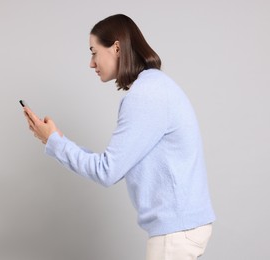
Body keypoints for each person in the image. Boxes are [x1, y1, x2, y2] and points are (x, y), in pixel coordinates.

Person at [23, 13, 215, 260]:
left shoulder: (146, 95)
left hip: (176, 233)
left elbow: (107, 171)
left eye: (93, 51)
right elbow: (114, 163)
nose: (91, 63)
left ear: (116, 47)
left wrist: (54, 142)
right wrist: (56, 139)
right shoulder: (154, 87)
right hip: (182, 228)